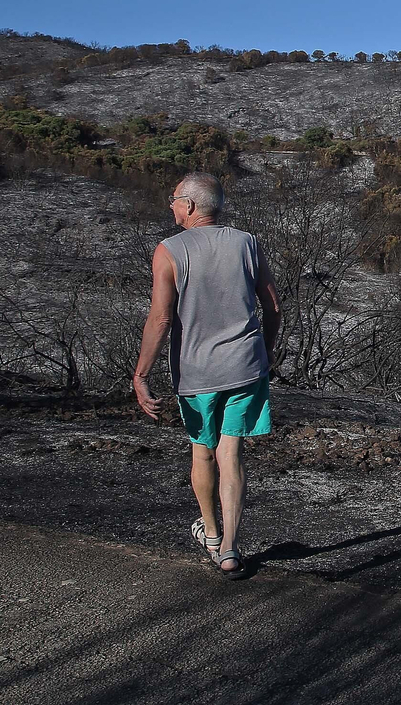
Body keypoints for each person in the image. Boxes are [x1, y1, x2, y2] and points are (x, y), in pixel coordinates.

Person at [133, 171, 281, 579]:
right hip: (245, 367)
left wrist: (141, 375)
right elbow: (274, 307)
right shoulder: (247, 243)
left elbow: (161, 319)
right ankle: (231, 551)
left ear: (192, 206)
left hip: (196, 372)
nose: (171, 205)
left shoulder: (169, 250)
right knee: (231, 453)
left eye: (174, 198)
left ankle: (212, 536)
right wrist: (263, 353)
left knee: (203, 451)